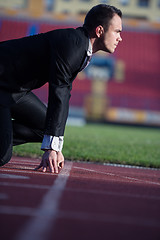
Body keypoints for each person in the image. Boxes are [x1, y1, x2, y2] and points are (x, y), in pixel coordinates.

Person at [0, 4, 122, 173]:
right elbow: (59, 92)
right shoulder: (73, 44)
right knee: (2, 154)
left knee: (44, 127)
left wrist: (55, 146)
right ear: (100, 31)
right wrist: (52, 148)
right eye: (117, 31)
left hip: (14, 89)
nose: (120, 38)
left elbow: (63, 97)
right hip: (3, 83)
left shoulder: (81, 48)